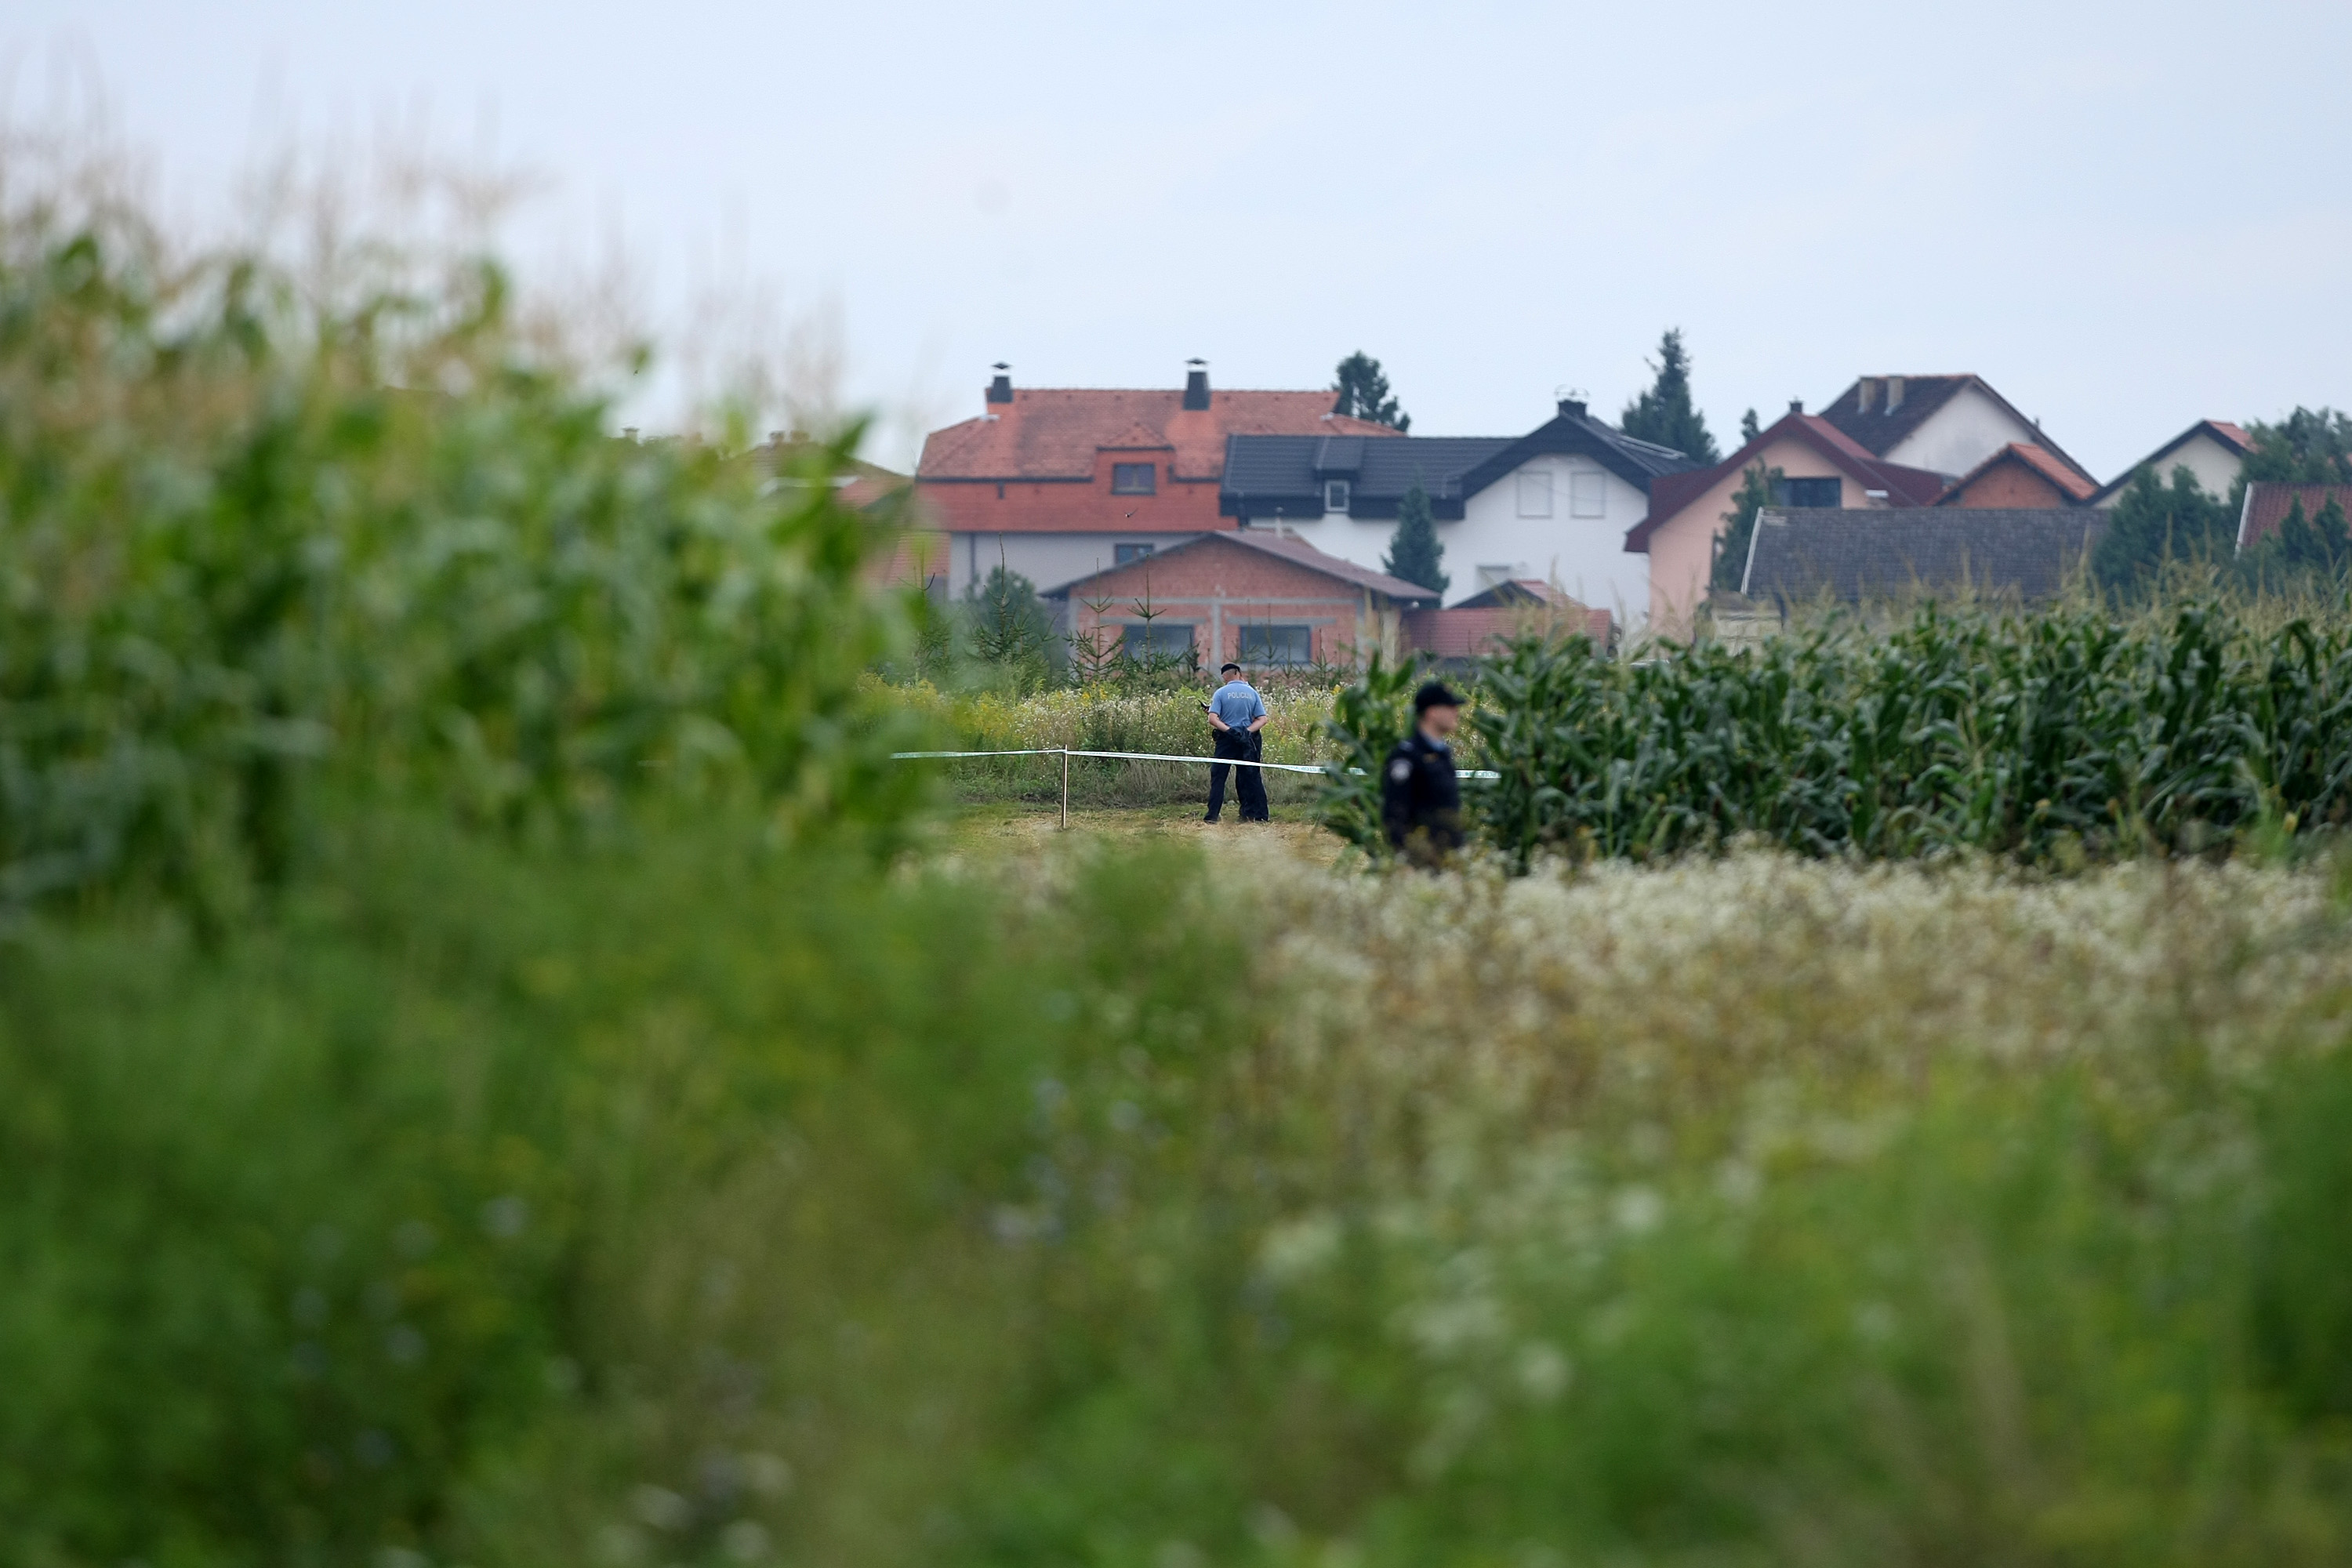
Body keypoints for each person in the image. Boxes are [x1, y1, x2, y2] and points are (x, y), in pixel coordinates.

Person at [1381, 680, 1464, 864]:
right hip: (1420, 860)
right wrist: (1405, 857)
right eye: (1450, 707)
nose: (1455, 712)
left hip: (1447, 858)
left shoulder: (1443, 754)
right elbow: (1396, 812)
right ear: (1432, 712)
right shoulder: (1407, 756)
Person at [1203, 662, 1270, 822]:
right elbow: (1263, 719)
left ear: (1224, 677)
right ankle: (1259, 815)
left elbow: (1213, 719)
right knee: (1251, 777)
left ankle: (1212, 815)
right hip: (1247, 740)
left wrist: (1229, 730)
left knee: (1219, 777)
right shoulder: (1252, 693)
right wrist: (1246, 732)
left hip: (1226, 740)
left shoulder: (1220, 693)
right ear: (1238, 673)